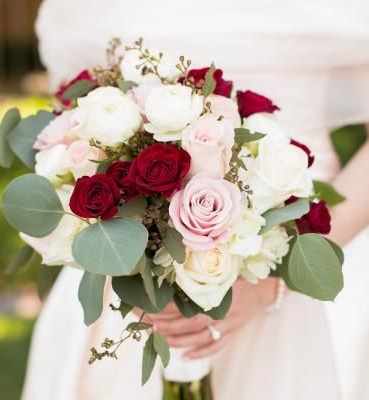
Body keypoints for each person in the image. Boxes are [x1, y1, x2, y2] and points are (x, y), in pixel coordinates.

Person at [22, 0, 369, 399]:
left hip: (282, 272)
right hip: (125, 287)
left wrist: (274, 284)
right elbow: (70, 121)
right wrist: (128, 272)